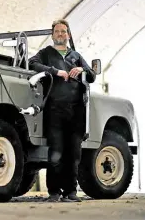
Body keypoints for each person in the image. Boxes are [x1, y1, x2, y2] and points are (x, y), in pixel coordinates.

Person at [29, 19, 96, 202]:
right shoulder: (46, 53)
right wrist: (56, 72)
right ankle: (54, 192)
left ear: (68, 35)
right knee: (56, 152)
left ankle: (71, 192)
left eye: (63, 31)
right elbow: (31, 64)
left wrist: (82, 68)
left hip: (76, 112)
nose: (60, 34)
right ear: (53, 35)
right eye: (57, 31)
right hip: (55, 110)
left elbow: (92, 75)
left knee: (74, 154)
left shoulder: (75, 55)